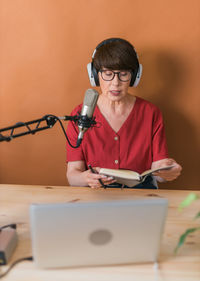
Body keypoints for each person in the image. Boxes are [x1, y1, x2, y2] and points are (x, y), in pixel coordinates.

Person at [66, 38, 182, 189]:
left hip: (140, 196)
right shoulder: (80, 114)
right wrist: (85, 178)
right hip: (97, 196)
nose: (115, 83)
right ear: (94, 75)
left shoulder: (151, 113)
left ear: (134, 77)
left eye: (124, 74)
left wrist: (166, 171)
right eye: (108, 73)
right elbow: (72, 176)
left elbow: (158, 170)